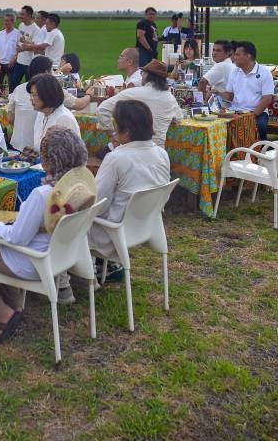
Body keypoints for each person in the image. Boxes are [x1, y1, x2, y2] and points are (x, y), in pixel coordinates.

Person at [0, 126, 94, 343]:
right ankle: (15, 303)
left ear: (48, 162)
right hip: (61, 257)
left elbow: (17, 239)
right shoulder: (79, 189)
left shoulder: (42, 195)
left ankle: (1, 312)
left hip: (33, 261)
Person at [91, 100, 170, 282]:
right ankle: (107, 266)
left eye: (115, 124)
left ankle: (69, 278)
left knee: (69, 220)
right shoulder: (161, 153)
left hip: (113, 232)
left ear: (125, 130)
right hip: (147, 224)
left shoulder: (116, 158)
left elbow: (97, 203)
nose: (113, 129)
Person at [97, 59, 183, 148]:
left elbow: (102, 109)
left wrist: (113, 134)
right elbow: (178, 119)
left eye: (142, 73)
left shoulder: (132, 93)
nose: (141, 76)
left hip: (131, 150)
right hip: (157, 151)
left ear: (147, 75)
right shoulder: (170, 98)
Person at [220, 41, 275, 140]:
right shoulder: (234, 72)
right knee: (219, 124)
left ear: (248, 56)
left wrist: (252, 116)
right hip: (235, 111)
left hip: (257, 112)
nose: (234, 57)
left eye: (237, 55)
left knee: (260, 126)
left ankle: (261, 149)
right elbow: (229, 96)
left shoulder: (264, 72)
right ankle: (229, 149)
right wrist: (218, 97)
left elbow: (267, 99)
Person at [6, 56, 53, 151]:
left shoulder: (18, 89)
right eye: (51, 71)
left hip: (17, 144)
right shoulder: (50, 91)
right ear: (47, 72)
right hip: (38, 148)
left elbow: (10, 119)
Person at [29, 74, 81, 150]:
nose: (31, 99)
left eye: (35, 95)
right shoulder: (41, 113)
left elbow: (71, 153)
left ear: (47, 95)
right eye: (31, 94)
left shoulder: (64, 118)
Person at [9, 5, 39, 88]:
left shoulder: (36, 29)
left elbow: (35, 46)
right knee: (13, 84)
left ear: (29, 15)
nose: (20, 16)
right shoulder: (21, 25)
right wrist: (15, 57)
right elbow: (19, 43)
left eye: (22, 14)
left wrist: (23, 47)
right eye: (20, 14)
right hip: (19, 61)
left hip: (29, 63)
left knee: (29, 86)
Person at [0, 12, 19, 88]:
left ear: (13, 22)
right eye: (4, 20)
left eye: (7, 21)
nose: (5, 22)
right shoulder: (0, 33)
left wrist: (14, 60)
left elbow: (20, 49)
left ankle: (11, 95)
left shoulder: (17, 33)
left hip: (11, 64)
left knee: (12, 84)